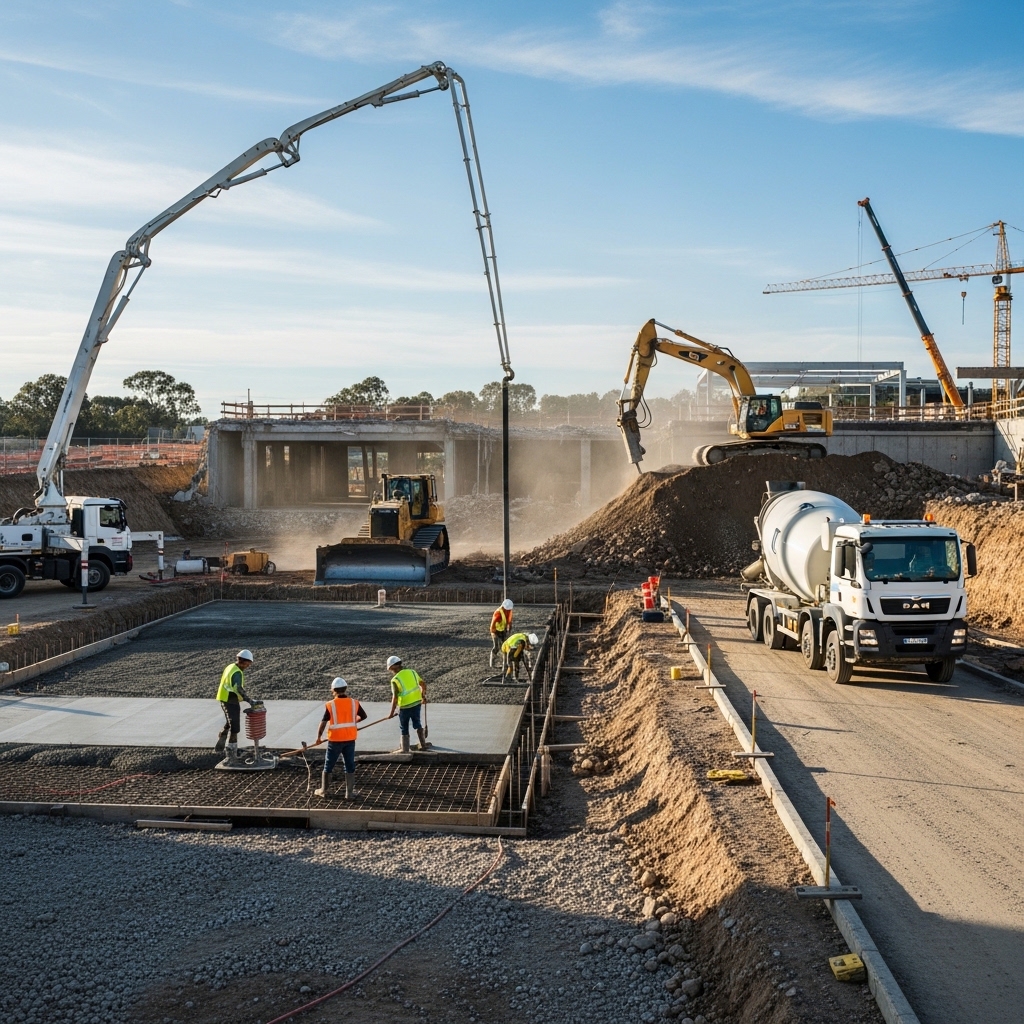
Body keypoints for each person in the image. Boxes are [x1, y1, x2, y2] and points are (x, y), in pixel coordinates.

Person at [313, 677, 367, 800]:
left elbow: (323, 723)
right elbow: (363, 716)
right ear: (345, 689)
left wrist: (319, 738)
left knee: (329, 765)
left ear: (333, 690)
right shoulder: (354, 702)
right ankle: (349, 793)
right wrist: (354, 721)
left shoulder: (331, 705)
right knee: (349, 765)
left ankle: (324, 791)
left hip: (335, 741)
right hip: (350, 739)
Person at [214, 649, 255, 761]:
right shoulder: (237, 672)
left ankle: (223, 734)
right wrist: (250, 701)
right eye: (247, 664)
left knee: (230, 720)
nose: (248, 666)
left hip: (225, 697)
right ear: (242, 661)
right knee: (235, 726)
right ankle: (232, 751)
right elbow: (238, 688)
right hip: (230, 699)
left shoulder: (231, 667)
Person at [386, 655, 428, 752]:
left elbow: (395, 698)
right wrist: (423, 696)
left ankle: (404, 749)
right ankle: (423, 744)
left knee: (404, 727)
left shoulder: (395, 680)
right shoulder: (412, 672)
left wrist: (391, 713)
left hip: (404, 707)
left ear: (392, 667)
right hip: (416, 703)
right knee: (417, 723)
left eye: (390, 668)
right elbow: (422, 684)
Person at [489, 598, 515, 669]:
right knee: (496, 647)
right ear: (503, 607)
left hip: (503, 630)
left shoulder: (509, 611)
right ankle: (492, 663)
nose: (508, 611)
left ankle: (505, 664)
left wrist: (508, 631)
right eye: (507, 609)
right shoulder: (498, 613)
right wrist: (493, 634)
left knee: (505, 647)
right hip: (496, 631)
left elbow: (509, 621)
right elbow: (492, 625)